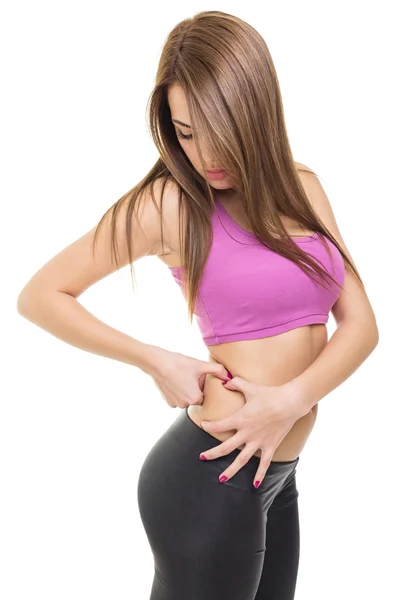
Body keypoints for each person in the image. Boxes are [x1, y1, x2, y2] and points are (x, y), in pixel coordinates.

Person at [16, 10, 379, 600]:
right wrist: (154, 359)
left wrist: (289, 401)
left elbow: (362, 326)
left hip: (275, 475)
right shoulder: (170, 205)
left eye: (218, 128)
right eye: (185, 132)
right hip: (212, 477)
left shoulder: (304, 187)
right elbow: (40, 295)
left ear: (256, 112)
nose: (203, 154)